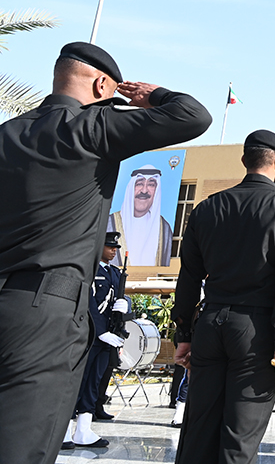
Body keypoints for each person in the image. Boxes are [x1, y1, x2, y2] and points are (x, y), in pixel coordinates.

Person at [0, 42, 211, 464]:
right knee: (23, 443)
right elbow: (194, 115)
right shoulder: (90, 128)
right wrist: (152, 97)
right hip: (46, 311)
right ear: (101, 85)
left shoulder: (9, 133)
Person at [171, 129, 275, 464]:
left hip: (210, 323)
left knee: (198, 431)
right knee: (239, 438)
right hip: (255, 331)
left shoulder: (206, 209)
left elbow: (188, 276)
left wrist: (184, 335)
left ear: (244, 161)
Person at [64, 232, 130, 449]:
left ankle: (83, 430)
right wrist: (100, 330)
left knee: (94, 382)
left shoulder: (115, 273)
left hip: (107, 338)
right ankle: (63, 430)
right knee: (77, 382)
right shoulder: (88, 270)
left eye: (116, 248)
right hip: (88, 335)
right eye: (109, 246)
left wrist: (126, 308)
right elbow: (87, 301)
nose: (114, 250)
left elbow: (117, 301)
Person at [108, 165, 174, 267]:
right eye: (139, 184)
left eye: (151, 185)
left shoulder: (164, 228)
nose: (144, 191)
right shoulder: (109, 223)